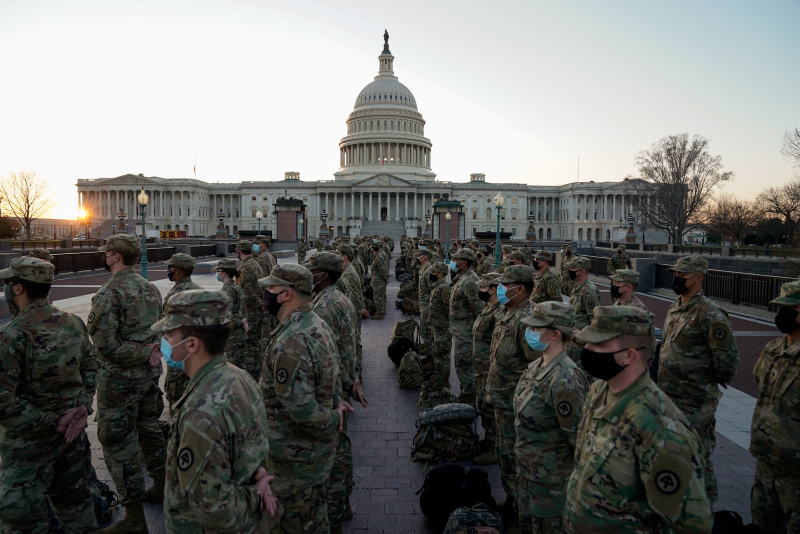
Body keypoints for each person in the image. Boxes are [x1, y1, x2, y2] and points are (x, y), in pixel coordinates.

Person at [563, 306, 713, 532]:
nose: (587, 350)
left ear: (629, 356)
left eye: (598, 345)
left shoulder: (661, 428)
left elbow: (691, 525)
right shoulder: (599, 391)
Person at [154, 290, 280, 532]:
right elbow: (256, 441)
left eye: (169, 334)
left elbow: (215, 511)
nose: (165, 341)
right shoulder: (240, 376)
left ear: (192, 344)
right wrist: (258, 471)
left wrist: (255, 493)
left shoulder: (201, 412)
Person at [0, 257, 99, 534]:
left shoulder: (12, 335)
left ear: (18, 288)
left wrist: (53, 422)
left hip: (28, 450)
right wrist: (82, 408)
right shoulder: (73, 322)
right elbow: (91, 367)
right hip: (72, 440)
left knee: (23, 523)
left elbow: (3, 402)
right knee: (78, 510)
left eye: (8, 282)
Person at [260, 264, 353, 534]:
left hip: (294, 461)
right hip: (310, 456)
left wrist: (334, 417)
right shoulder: (314, 323)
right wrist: (337, 403)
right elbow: (332, 374)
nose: (266, 294)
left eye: (271, 288)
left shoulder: (293, 339)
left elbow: (302, 410)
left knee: (297, 522)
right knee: (314, 515)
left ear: (286, 294)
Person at [87, 234, 166, 533]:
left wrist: (143, 352)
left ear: (116, 256)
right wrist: (151, 352)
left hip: (119, 383)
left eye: (107, 252)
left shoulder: (109, 293)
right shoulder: (150, 289)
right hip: (149, 377)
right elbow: (159, 330)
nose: (104, 256)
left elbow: (105, 346)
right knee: (150, 432)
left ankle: (134, 518)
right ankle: (162, 486)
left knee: (119, 445)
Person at [657, 256, 739, 505]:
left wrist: (719, 377)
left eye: (682, 275)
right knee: (674, 453)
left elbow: (727, 357)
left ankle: (703, 506)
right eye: (676, 274)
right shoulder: (676, 306)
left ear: (699, 277)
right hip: (670, 395)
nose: (677, 279)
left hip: (695, 399)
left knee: (696, 454)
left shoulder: (710, 313)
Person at [515, 301, 587, 533]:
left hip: (551, 484)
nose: (529, 332)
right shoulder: (536, 365)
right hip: (529, 472)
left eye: (535, 328)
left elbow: (579, 439)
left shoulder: (565, 379)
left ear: (555, 335)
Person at [304, 253, 360, 532]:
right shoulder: (338, 298)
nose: (308, 275)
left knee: (333, 452)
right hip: (341, 380)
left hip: (331, 385)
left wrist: (343, 385)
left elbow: (327, 352)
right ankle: (344, 501)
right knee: (340, 444)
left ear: (322, 275)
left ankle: (336, 511)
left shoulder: (325, 306)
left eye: (311, 270)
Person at [485, 265, 535, 521]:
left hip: (516, 401)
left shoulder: (528, 319)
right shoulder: (508, 312)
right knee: (504, 453)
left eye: (506, 285)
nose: (500, 289)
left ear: (520, 288)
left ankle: (520, 513)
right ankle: (512, 501)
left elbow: (535, 365)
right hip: (502, 397)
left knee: (514, 456)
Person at [750, 280, 800, 532]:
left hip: (795, 471)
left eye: (790, 309)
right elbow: (760, 382)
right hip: (766, 460)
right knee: (763, 525)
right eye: (781, 308)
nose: (782, 315)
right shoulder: (772, 349)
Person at [161, 253, 202, 415]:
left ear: (177, 270)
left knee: (177, 395)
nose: (168, 270)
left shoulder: (175, 295)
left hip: (180, 353)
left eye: (170, 267)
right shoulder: (200, 291)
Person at [472, 273, 503, 466]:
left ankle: (494, 448)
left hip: (490, 369)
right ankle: (489, 440)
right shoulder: (488, 307)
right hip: (481, 367)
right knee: (483, 405)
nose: (480, 290)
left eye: (483, 287)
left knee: (490, 408)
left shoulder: (499, 312)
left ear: (493, 289)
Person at [448, 248, 485, 405]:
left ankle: (469, 398)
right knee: (461, 364)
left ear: (464, 262)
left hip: (466, 331)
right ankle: (467, 394)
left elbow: (479, 309)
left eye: (456, 260)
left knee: (463, 365)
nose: (453, 262)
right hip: (460, 329)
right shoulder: (461, 277)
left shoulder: (469, 281)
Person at [236, 240, 265, 382]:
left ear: (238, 252)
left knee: (250, 344)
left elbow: (246, 289)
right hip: (258, 309)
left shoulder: (244, 267)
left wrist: (258, 304)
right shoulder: (255, 264)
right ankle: (257, 370)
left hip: (251, 310)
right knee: (256, 342)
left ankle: (252, 376)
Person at [214, 258, 249, 370]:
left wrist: (239, 323)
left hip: (231, 336)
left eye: (217, 271)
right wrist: (243, 322)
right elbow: (244, 310)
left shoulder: (227, 290)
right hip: (239, 335)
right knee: (239, 369)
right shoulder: (236, 287)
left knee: (230, 370)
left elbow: (226, 315)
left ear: (223, 273)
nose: (216, 274)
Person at [427, 262, 452, 389]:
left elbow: (449, 309)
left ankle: (444, 380)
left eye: (433, 272)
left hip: (443, 327)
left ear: (440, 274)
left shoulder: (444, 288)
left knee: (442, 354)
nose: (431, 274)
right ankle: (440, 376)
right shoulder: (437, 286)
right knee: (437, 351)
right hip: (436, 326)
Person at [567, 256, 600, 330]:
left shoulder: (590, 291)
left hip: (582, 334)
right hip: (574, 331)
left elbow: (594, 320)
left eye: (572, 268)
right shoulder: (578, 286)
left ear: (581, 271)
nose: (569, 270)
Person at [416, 248, 435, 353]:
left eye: (419, 256)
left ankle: (430, 353)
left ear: (424, 258)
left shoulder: (429, 271)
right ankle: (428, 349)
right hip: (423, 303)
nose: (417, 258)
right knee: (424, 328)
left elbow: (434, 288)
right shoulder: (423, 269)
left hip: (428, 304)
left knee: (426, 328)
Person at [370, 243, 389, 320]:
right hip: (378, 280)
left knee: (378, 296)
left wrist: (385, 278)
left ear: (372, 249)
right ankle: (381, 311)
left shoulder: (378, 258)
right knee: (381, 295)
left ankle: (380, 313)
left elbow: (382, 270)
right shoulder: (377, 256)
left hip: (379, 281)